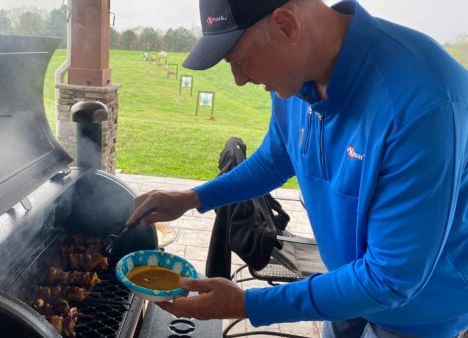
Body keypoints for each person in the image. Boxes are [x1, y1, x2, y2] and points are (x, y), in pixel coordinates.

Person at [126, 0, 468, 337]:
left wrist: (247, 304)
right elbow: (274, 159)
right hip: (342, 284)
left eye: (240, 61)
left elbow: (392, 279)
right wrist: (192, 198)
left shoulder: (422, 102)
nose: (239, 80)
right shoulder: (295, 82)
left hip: (416, 312)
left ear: (286, 26)